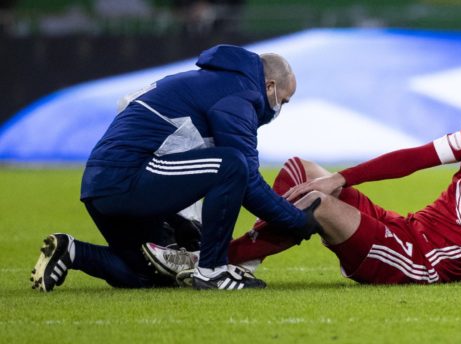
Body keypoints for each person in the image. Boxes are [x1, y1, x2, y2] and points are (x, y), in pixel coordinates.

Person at [30, 44, 318, 292]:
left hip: (100, 184)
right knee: (232, 165)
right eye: (283, 99)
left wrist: (181, 223)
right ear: (269, 86)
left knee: (145, 274)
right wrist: (297, 220)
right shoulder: (240, 94)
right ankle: (213, 271)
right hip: (128, 177)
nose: (280, 108)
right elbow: (247, 181)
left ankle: (72, 251)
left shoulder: (209, 82)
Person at [148, 117, 461, 286]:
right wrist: (342, 177)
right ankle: (243, 258)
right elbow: (413, 159)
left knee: (316, 202)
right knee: (303, 171)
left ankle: (211, 260)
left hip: (421, 265)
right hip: (405, 228)